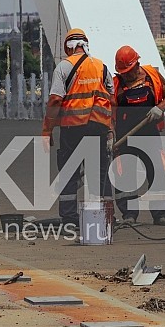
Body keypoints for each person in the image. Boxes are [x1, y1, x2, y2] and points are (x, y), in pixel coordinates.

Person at [41, 28, 114, 229]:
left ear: (68, 47)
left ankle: (70, 219)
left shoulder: (64, 67)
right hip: (98, 127)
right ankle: (105, 217)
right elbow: (110, 98)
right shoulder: (102, 67)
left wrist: (47, 131)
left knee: (69, 172)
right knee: (99, 172)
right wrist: (109, 129)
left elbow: (55, 100)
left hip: (73, 128)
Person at [111, 45, 165, 226]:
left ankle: (161, 213)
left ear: (136, 64)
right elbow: (110, 111)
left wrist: (160, 108)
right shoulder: (117, 84)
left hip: (149, 133)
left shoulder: (152, 75)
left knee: (157, 171)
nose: (126, 75)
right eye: (122, 72)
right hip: (125, 135)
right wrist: (110, 134)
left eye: (128, 71)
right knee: (125, 176)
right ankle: (129, 214)